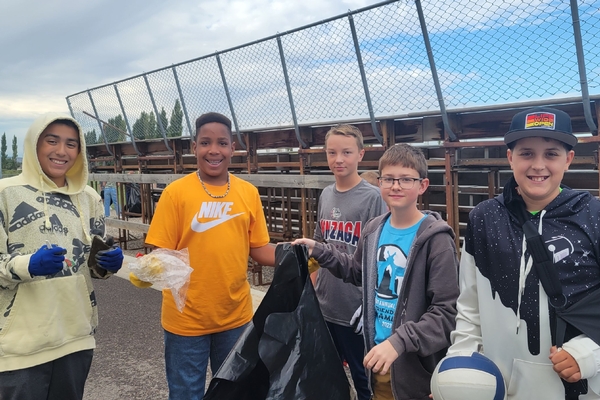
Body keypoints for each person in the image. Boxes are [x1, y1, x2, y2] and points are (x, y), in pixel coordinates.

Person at [446, 107, 600, 399]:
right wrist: (462, 370)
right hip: (498, 386)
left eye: (551, 154)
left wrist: (590, 354)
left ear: (568, 159)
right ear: (510, 158)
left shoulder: (593, 216)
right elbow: (469, 308)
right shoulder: (482, 218)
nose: (538, 165)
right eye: (526, 153)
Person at [294, 143, 459, 399]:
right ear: (379, 183)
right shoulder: (373, 230)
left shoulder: (436, 240)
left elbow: (446, 312)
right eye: (389, 179)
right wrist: (320, 250)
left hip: (416, 369)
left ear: (422, 185)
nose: (396, 186)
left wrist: (399, 341)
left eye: (406, 179)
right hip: (379, 358)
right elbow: (358, 271)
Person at [131, 112, 275, 400]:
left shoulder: (248, 193)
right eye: (205, 142)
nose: (214, 150)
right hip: (186, 321)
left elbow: (259, 249)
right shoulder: (176, 193)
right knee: (186, 393)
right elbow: (161, 252)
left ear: (233, 148)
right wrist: (149, 270)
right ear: (193, 147)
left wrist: (295, 255)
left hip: (235, 317)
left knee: (234, 393)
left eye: (222, 143)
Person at [0, 113, 124, 400]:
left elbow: (93, 268)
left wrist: (106, 265)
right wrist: (27, 265)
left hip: (75, 337)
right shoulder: (6, 194)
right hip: (19, 345)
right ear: (34, 144)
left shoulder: (89, 198)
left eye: (71, 144)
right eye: (51, 141)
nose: (61, 151)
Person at [311, 124, 386, 400]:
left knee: (364, 379)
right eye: (332, 152)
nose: (338, 159)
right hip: (325, 305)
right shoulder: (326, 194)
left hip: (355, 309)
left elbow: (379, 253)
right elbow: (320, 246)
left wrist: (373, 304)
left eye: (346, 152)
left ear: (360, 155)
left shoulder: (373, 197)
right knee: (325, 374)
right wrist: (311, 289)